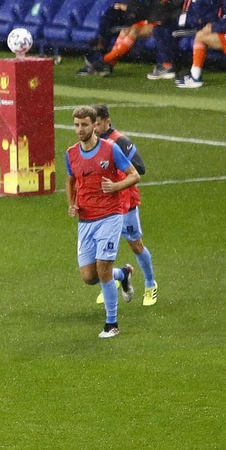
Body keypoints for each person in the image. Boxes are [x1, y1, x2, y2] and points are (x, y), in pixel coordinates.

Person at [64, 107, 140, 338]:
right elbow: (70, 180)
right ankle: (123, 275)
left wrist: (116, 187)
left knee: (103, 268)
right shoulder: (71, 154)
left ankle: (112, 324)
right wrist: (72, 203)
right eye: (76, 125)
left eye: (84, 125)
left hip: (110, 215)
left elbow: (134, 174)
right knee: (89, 277)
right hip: (86, 219)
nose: (80, 130)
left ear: (94, 125)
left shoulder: (110, 149)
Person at [92, 105, 157, 306]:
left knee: (136, 245)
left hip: (125, 200)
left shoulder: (119, 140)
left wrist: (116, 174)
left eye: (97, 123)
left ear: (107, 120)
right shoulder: (91, 143)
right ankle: (116, 279)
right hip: (103, 204)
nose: (94, 128)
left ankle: (150, 283)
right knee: (100, 251)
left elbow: (140, 168)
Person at [79, 0, 161, 77]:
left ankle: (103, 60)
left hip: (144, 20)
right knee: (110, 15)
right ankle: (100, 46)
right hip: (131, 17)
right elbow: (131, 6)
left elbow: (146, 10)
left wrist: (128, 8)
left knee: (130, 30)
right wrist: (125, 8)